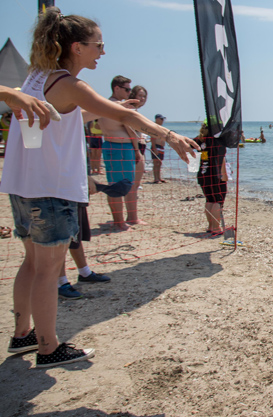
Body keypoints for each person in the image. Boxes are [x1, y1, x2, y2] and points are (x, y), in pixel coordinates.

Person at [2, 7, 198, 368]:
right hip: (50, 189)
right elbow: (123, 117)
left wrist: (114, 107)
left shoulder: (36, 76)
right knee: (48, 270)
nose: (103, 52)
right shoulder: (69, 83)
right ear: (77, 47)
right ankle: (48, 348)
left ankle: (22, 335)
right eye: (98, 44)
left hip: (21, 186)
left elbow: (71, 114)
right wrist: (169, 135)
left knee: (31, 263)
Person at [98, 75, 145, 230]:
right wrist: (137, 151)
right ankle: (120, 222)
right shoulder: (118, 106)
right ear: (116, 88)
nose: (128, 93)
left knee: (116, 185)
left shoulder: (104, 104)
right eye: (126, 89)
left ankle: (119, 220)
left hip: (111, 146)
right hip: (121, 148)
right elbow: (130, 130)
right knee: (121, 186)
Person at [194, 122, 227, 236]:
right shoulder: (218, 140)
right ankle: (216, 228)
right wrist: (224, 175)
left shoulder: (201, 139)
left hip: (203, 174)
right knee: (218, 201)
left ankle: (210, 226)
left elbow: (189, 145)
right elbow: (221, 159)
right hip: (215, 175)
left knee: (209, 200)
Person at [128, 86, 149, 194]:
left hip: (139, 145)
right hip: (135, 146)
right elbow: (131, 130)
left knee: (136, 178)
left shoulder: (135, 110)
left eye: (144, 96)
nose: (142, 99)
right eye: (140, 96)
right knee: (134, 179)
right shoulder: (130, 109)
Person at [151, 114, 167, 183]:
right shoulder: (154, 127)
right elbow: (152, 138)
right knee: (156, 163)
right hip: (156, 146)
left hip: (161, 147)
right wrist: (154, 148)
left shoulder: (161, 127)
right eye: (161, 119)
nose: (162, 121)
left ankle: (159, 177)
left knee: (159, 163)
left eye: (163, 119)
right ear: (157, 119)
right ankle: (156, 178)